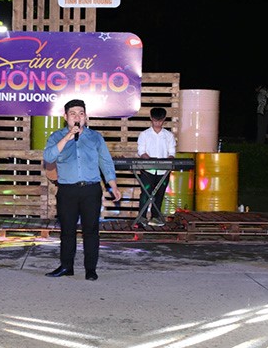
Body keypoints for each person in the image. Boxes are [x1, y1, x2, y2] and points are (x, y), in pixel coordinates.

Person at [43, 99, 122, 281]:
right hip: (67, 190)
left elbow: (105, 162)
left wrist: (114, 186)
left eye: (80, 113)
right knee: (67, 230)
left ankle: (91, 269)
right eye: (73, 114)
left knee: (91, 230)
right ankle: (66, 267)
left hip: (90, 190)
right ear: (65, 117)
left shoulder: (96, 137)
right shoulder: (56, 137)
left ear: (86, 117)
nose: (77, 117)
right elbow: (48, 156)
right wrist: (68, 137)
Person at [136, 107, 176, 227]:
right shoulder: (144, 134)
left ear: (164, 119)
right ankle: (141, 217)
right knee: (145, 193)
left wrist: (168, 160)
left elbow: (172, 152)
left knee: (160, 194)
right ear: (151, 119)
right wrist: (147, 158)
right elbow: (141, 151)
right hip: (148, 170)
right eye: (155, 120)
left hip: (163, 171)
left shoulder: (168, 136)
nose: (157, 123)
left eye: (160, 121)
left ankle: (155, 217)